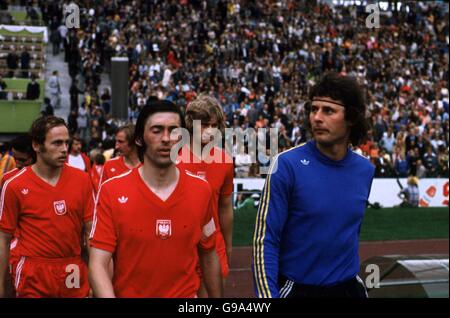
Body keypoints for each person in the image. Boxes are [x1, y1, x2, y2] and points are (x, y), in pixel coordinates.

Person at [253, 72, 375, 298]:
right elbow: (265, 241)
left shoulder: (365, 170)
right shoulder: (286, 165)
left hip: (348, 289)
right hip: (299, 290)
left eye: (328, 111)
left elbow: (349, 233)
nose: (317, 117)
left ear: (351, 117)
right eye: (313, 109)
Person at [89, 100, 222, 297]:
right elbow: (98, 264)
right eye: (157, 130)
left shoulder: (201, 190)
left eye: (174, 131)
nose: (166, 138)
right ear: (140, 139)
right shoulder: (112, 190)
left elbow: (209, 255)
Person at [0, 116, 94, 298]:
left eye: (66, 143)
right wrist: (3, 287)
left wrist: (94, 277)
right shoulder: (14, 185)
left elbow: (91, 235)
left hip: (72, 269)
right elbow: (3, 239)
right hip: (33, 272)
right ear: (36, 145)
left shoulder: (82, 180)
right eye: (57, 143)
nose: (64, 149)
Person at [177, 95, 234, 297]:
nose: (210, 130)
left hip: (213, 245)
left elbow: (225, 206)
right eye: (204, 125)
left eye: (214, 125)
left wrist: (227, 245)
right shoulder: (172, 159)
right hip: (180, 248)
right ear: (191, 124)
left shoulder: (225, 161)